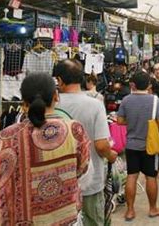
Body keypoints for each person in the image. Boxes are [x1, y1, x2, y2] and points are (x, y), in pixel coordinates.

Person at [0, 73, 90, 225]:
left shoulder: (9, 136)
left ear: (24, 103)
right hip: (65, 218)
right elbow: (83, 170)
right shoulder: (74, 129)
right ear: (56, 96)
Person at [55, 59, 117, 225]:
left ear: (59, 80)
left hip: (59, 181)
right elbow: (102, 145)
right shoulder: (95, 104)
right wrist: (112, 156)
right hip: (90, 179)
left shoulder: (51, 104)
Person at [117, 72, 159, 221]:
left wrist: (131, 123)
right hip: (149, 145)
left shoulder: (126, 100)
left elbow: (119, 121)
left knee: (132, 176)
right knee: (151, 177)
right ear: (149, 85)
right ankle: (153, 208)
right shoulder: (155, 100)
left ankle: (130, 210)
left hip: (131, 145)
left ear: (133, 85)